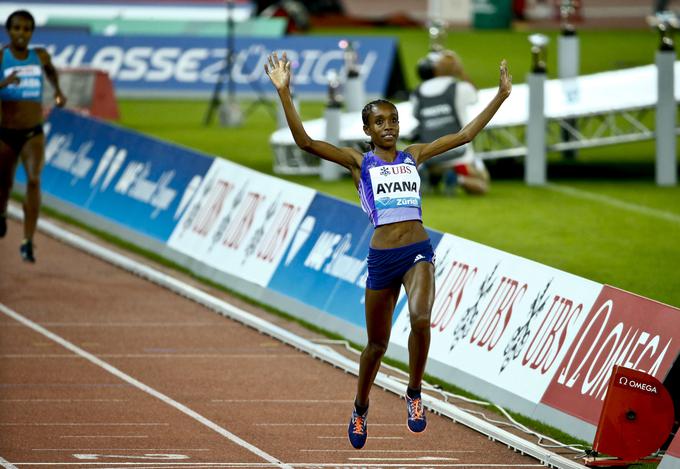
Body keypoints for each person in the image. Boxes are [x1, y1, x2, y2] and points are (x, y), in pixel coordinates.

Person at [265, 51, 511, 449]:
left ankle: (414, 393)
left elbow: (464, 135)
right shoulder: (357, 162)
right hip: (381, 259)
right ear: (367, 128)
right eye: (380, 122)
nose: (389, 127)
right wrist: (285, 92)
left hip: (418, 251)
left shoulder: (413, 155)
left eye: (393, 120)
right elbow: (305, 141)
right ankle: (361, 406)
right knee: (376, 346)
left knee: (420, 319)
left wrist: (500, 96)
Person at [0, 9, 66, 262]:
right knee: (3, 183)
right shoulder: (2, 57)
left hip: (32, 132)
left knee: (34, 179)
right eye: (17, 28)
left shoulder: (40, 55)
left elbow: (50, 70)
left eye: (27, 29)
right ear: (9, 31)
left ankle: (28, 241)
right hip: (5, 133)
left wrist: (58, 91)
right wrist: (4, 84)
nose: (22, 33)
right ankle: (2, 213)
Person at [412, 49, 491, 196]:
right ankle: (459, 178)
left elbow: (416, 117)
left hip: (430, 156)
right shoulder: (459, 87)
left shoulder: (418, 91)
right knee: (483, 182)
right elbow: (475, 96)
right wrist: (461, 72)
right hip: (458, 157)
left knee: (432, 158)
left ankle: (428, 176)